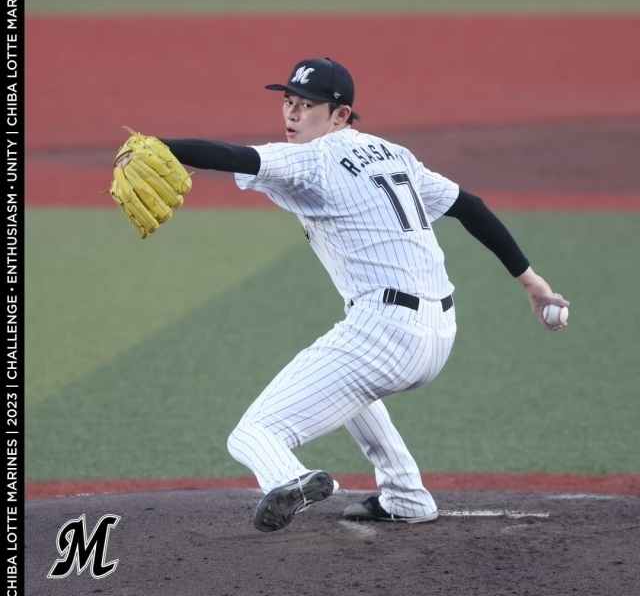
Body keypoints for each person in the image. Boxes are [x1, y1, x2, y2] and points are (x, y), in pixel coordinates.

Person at [156, 57, 569, 532]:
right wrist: (531, 282)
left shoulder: (315, 158)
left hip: (385, 332)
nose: (292, 114)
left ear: (340, 115)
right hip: (438, 333)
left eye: (307, 105)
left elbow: (236, 157)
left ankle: (289, 479)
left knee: (253, 433)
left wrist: (159, 146)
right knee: (351, 383)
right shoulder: (393, 153)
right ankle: (406, 495)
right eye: (288, 102)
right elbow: (469, 206)